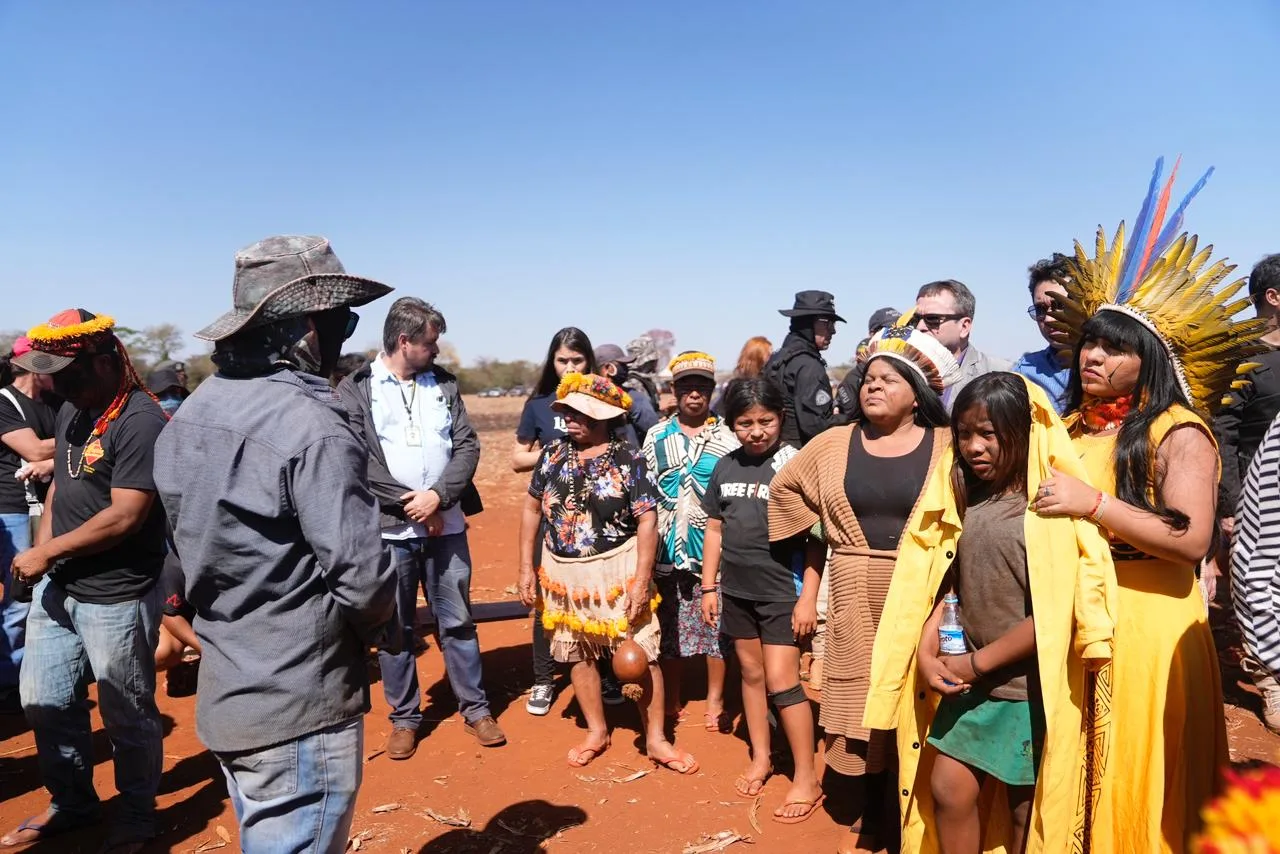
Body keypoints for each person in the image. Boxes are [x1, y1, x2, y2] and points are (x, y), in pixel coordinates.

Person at [153, 235, 398, 853]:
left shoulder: (193, 415)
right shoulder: (310, 425)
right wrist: (384, 626)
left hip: (232, 691)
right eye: (342, 319)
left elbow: (183, 555)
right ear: (309, 328)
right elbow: (362, 577)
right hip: (300, 701)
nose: (347, 332)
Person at [1033, 159, 1247, 852]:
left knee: (1139, 772)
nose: (1091, 355)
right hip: (1079, 619)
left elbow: (1189, 541)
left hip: (1150, 625)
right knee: (1081, 765)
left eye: (1112, 347)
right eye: (1089, 341)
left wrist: (1090, 502)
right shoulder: (1069, 428)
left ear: (1149, 358)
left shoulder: (1177, 432)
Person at [865, 373, 1115, 853]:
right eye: (964, 434)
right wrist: (927, 646)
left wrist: (978, 663)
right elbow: (949, 580)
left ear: (1023, 433)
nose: (974, 447)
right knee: (948, 788)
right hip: (970, 683)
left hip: (1023, 690)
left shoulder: (1047, 510)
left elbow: (1055, 612)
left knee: (1026, 811)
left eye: (989, 434)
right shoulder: (967, 499)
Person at [769, 314, 958, 853]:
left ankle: (917, 814)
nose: (872, 385)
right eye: (869, 377)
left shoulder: (946, 445)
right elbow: (787, 489)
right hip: (854, 590)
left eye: (888, 379)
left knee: (918, 700)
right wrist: (819, 535)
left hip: (923, 590)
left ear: (917, 395)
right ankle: (876, 812)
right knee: (865, 713)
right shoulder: (833, 444)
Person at [2, 310, 168, 853]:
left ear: (105, 361)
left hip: (115, 592)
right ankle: (72, 803)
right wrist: (43, 556)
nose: (54, 383)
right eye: (50, 373)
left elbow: (125, 515)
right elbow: (60, 493)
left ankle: (138, 815)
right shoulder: (75, 407)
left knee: (126, 711)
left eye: (66, 372)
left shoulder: (141, 420)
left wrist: (46, 551)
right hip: (61, 585)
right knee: (44, 700)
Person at [338, 296, 505, 757]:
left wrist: (439, 497)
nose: (438, 350)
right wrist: (411, 503)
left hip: (446, 527)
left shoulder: (443, 384)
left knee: (458, 620)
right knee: (395, 627)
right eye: (431, 342)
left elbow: (467, 446)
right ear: (405, 340)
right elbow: (356, 457)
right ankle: (405, 718)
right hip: (389, 532)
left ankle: (476, 709)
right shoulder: (356, 388)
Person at [516, 373, 698, 775]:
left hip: (618, 567)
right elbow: (532, 509)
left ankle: (656, 739)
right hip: (562, 571)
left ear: (603, 420)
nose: (570, 421)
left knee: (640, 656)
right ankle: (597, 731)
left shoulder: (627, 459)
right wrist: (525, 567)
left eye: (581, 415)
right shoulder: (552, 456)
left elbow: (647, 521)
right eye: (568, 413)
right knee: (577, 652)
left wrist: (639, 579)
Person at [700, 377, 824, 823]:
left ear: (781, 418)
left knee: (782, 682)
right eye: (745, 423)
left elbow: (815, 539)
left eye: (765, 421)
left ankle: (807, 776)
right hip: (737, 590)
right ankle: (761, 757)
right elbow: (715, 528)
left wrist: (807, 598)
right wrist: (709, 585)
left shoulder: (795, 465)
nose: (756, 431)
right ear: (731, 424)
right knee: (750, 674)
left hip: (781, 595)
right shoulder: (725, 467)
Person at [643, 352, 739, 730]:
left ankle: (715, 699)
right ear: (674, 391)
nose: (694, 395)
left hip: (711, 549)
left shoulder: (727, 438)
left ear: (712, 392)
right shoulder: (657, 436)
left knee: (715, 628)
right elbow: (645, 491)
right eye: (686, 388)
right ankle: (672, 694)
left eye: (702, 388)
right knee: (668, 626)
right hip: (666, 547)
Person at [1214, 253, 1280, 732]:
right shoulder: (1244, 358)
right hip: (1260, 496)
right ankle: (1272, 681)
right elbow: (1224, 432)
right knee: (1258, 587)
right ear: (1273, 298)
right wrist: (1232, 505)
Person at [0, 337, 57, 714]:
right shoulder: (4, 402)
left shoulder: (54, 404)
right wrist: (79, 438)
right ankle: (8, 682)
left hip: (48, 508)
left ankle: (29, 676)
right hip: (14, 508)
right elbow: (35, 451)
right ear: (35, 367)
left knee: (42, 594)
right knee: (20, 598)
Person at [764, 290, 844, 447]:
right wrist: (848, 418)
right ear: (807, 324)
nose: (833, 331)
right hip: (799, 457)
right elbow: (815, 427)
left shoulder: (779, 357)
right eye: (827, 323)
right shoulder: (808, 365)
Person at [913, 279, 1010, 410]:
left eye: (932, 319)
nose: (920, 327)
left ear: (964, 326)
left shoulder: (1002, 373)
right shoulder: (901, 372)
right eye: (916, 319)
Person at [1011, 255, 1074, 413]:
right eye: (1040, 309)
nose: (1048, 318)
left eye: (1060, 305)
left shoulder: (1114, 366)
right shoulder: (1026, 372)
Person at [836, 307, 902, 416]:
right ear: (872, 334)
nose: (897, 334)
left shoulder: (911, 370)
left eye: (902, 329)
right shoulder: (854, 379)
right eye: (889, 330)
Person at [597, 343, 661, 442]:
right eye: (622, 365)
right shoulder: (632, 396)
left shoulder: (585, 396)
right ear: (608, 368)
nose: (626, 368)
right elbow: (654, 429)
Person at [711, 336, 773, 413]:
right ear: (758, 357)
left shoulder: (770, 380)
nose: (773, 358)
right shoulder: (735, 386)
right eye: (769, 355)